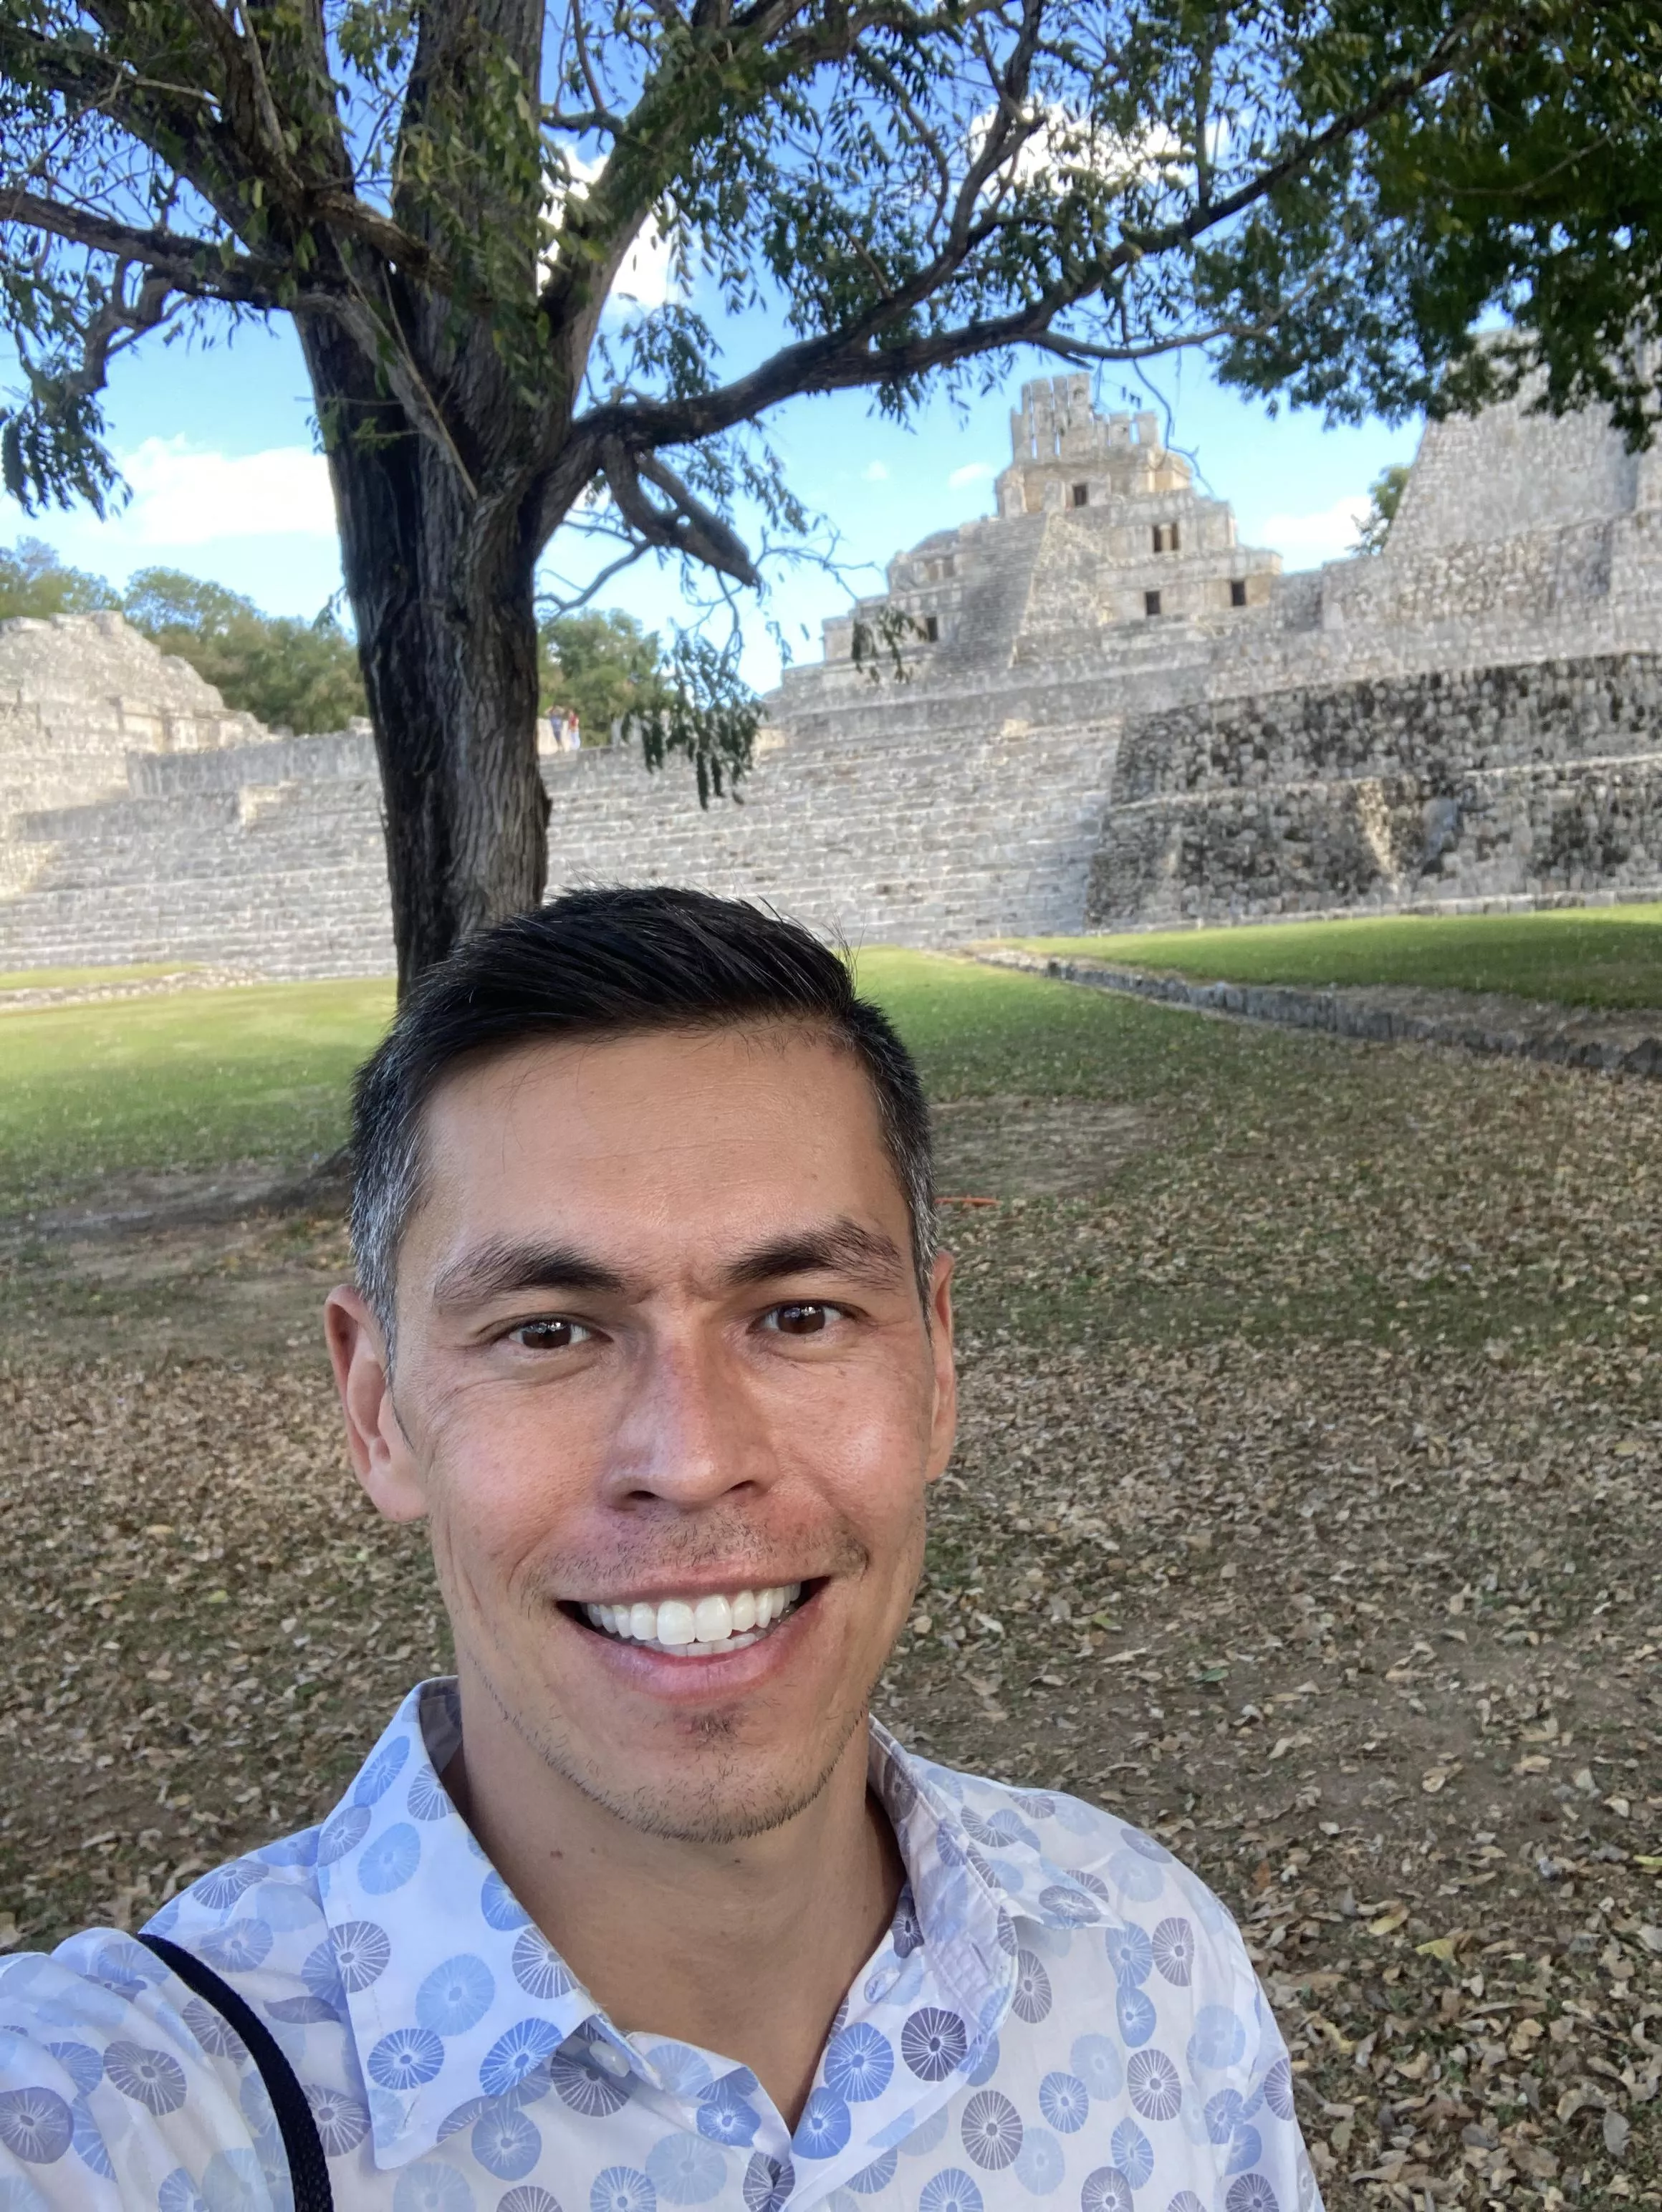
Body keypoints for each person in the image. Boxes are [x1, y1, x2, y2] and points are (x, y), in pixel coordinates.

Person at [0, 888, 1321, 2211]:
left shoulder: (1151, 1952)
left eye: (799, 1315)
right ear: (378, 1412)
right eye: (549, 1332)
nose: (690, 1460)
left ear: (935, 1367)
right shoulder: (124, 2112)